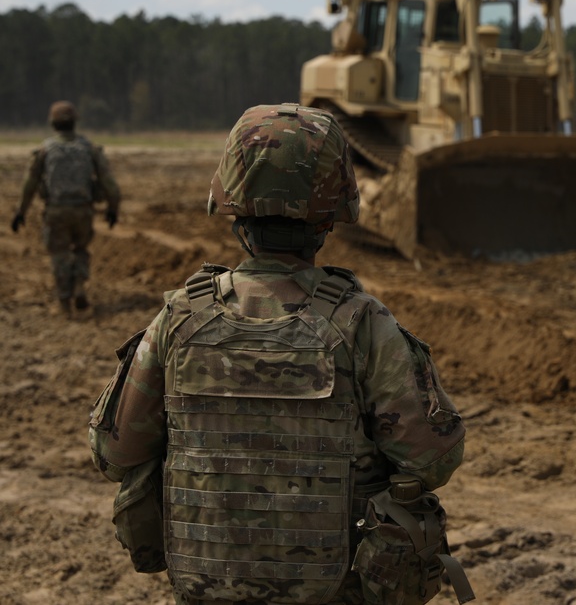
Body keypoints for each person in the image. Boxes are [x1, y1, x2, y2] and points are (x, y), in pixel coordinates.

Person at [89, 104, 470, 605]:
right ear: (333, 213)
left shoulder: (179, 319)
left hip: (208, 587)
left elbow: (116, 454)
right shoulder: (363, 323)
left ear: (230, 203)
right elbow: (433, 458)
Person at [11, 100, 121, 314]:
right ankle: (79, 284)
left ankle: (64, 302)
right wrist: (113, 209)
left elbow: (29, 184)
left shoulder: (45, 150)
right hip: (83, 211)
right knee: (80, 249)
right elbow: (110, 184)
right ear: (74, 122)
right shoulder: (89, 148)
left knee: (59, 253)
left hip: (56, 211)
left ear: (52, 123)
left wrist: (20, 212)